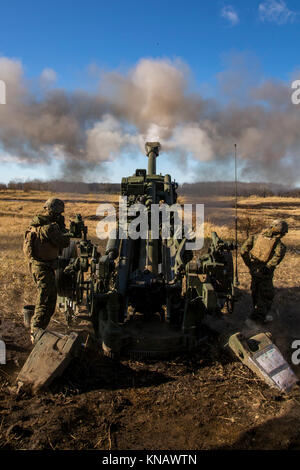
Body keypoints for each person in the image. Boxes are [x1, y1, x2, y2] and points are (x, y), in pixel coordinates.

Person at [23, 198, 70, 343]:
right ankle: (36, 330)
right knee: (46, 298)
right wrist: (63, 229)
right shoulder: (50, 228)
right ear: (55, 211)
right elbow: (64, 242)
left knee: (48, 297)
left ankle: (38, 327)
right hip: (43, 266)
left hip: (39, 265)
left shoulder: (37, 222)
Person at [240, 219, 288, 323]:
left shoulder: (255, 237)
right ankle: (256, 321)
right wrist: (267, 267)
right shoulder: (279, 244)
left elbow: (243, 251)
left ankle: (256, 315)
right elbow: (277, 257)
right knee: (266, 296)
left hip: (254, 271)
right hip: (265, 274)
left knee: (255, 292)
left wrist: (250, 265)